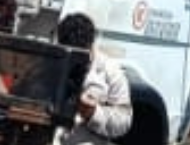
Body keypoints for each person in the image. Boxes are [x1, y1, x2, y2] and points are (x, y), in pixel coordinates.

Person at [55, 13, 133, 143]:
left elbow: (124, 121)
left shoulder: (110, 72)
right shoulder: (49, 65)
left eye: (82, 55)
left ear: (91, 44)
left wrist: (93, 113)